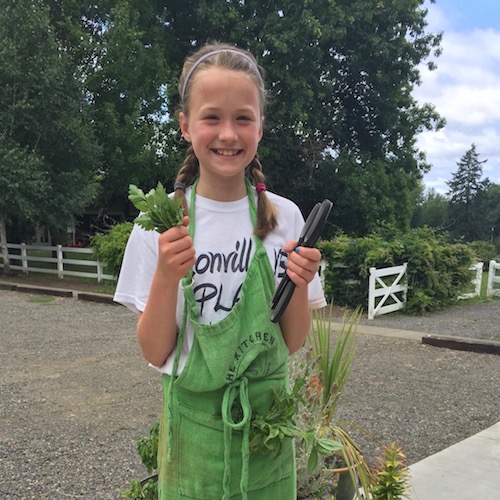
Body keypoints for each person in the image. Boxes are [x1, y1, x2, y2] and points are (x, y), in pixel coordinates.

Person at [114, 42, 326, 500]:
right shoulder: (160, 221)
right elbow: (155, 351)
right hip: (193, 434)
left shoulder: (286, 219)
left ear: (261, 128)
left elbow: (292, 342)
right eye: (212, 117)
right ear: (186, 126)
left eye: (243, 118)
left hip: (267, 429)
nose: (228, 133)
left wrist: (300, 281)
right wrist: (167, 277)